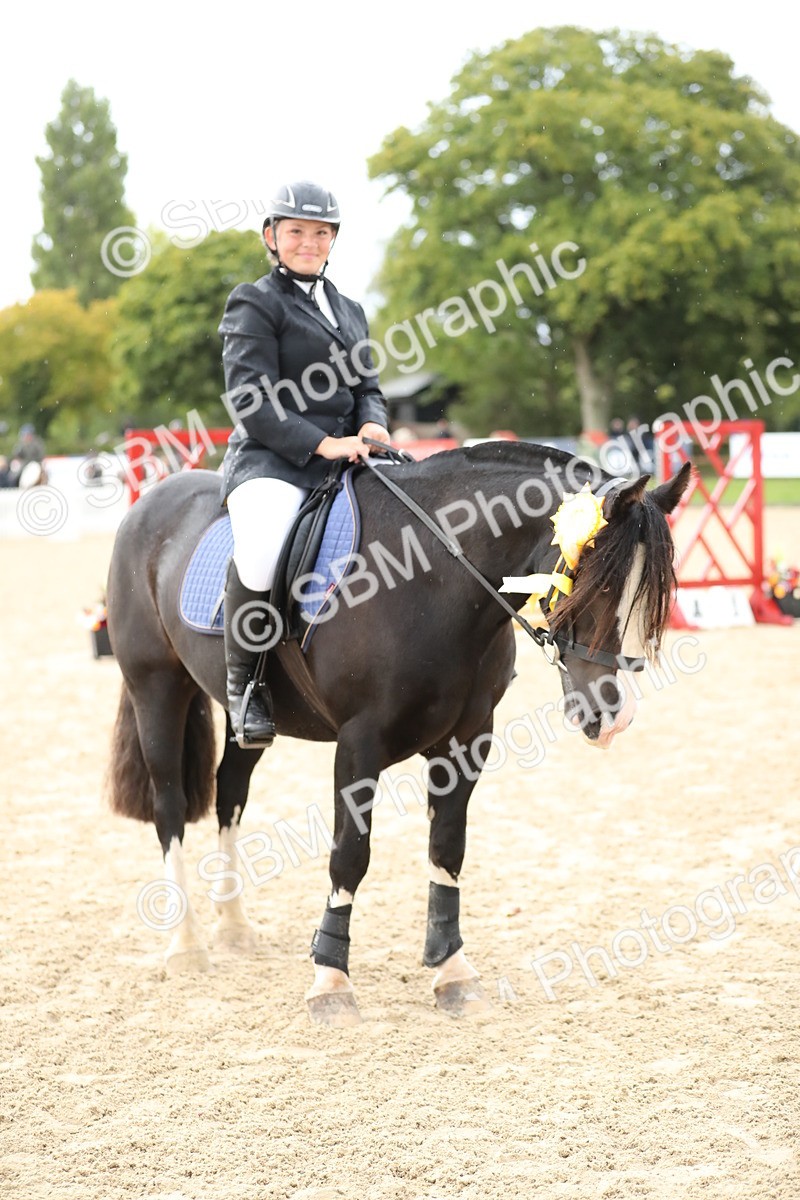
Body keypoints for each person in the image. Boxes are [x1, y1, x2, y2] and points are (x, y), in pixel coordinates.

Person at [218, 180, 391, 748]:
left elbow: (368, 385)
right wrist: (321, 444)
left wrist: (372, 423)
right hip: (275, 459)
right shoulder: (255, 301)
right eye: (297, 231)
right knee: (265, 548)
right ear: (273, 236)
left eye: (320, 233)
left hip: (351, 454)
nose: (309, 242)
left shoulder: (351, 309)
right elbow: (251, 400)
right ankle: (246, 687)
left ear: (333, 241)